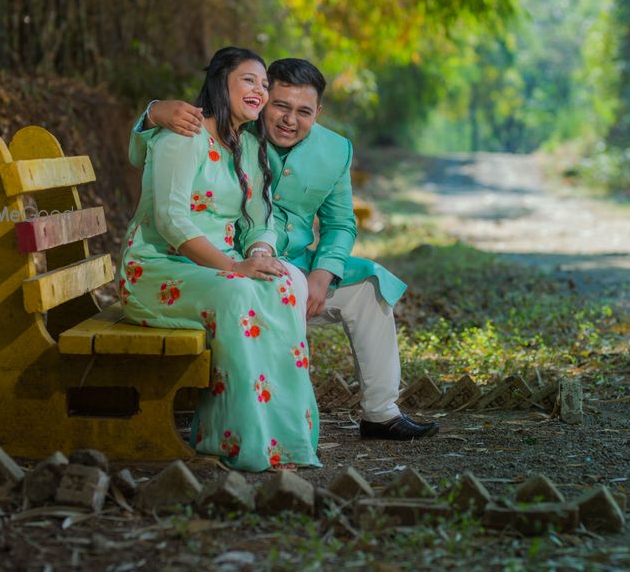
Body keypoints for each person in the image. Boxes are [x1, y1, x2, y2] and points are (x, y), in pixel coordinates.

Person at [129, 58, 439, 441]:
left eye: (304, 112)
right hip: (224, 260)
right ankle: (268, 421)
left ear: (318, 112)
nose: (290, 120)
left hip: (297, 262)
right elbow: (153, 156)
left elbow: (341, 223)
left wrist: (323, 274)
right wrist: (154, 112)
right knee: (272, 287)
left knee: (369, 287)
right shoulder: (237, 130)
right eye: (280, 106)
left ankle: (381, 413)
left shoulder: (335, 149)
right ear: (264, 99)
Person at [119, 47, 320, 471]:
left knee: (282, 286)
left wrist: (259, 253)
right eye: (249, 79)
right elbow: (170, 221)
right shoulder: (182, 135)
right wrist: (232, 268)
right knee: (237, 296)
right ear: (219, 82)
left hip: (220, 267)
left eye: (264, 84)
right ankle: (234, 440)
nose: (259, 90)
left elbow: (258, 219)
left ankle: (284, 439)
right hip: (157, 268)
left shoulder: (246, 146)